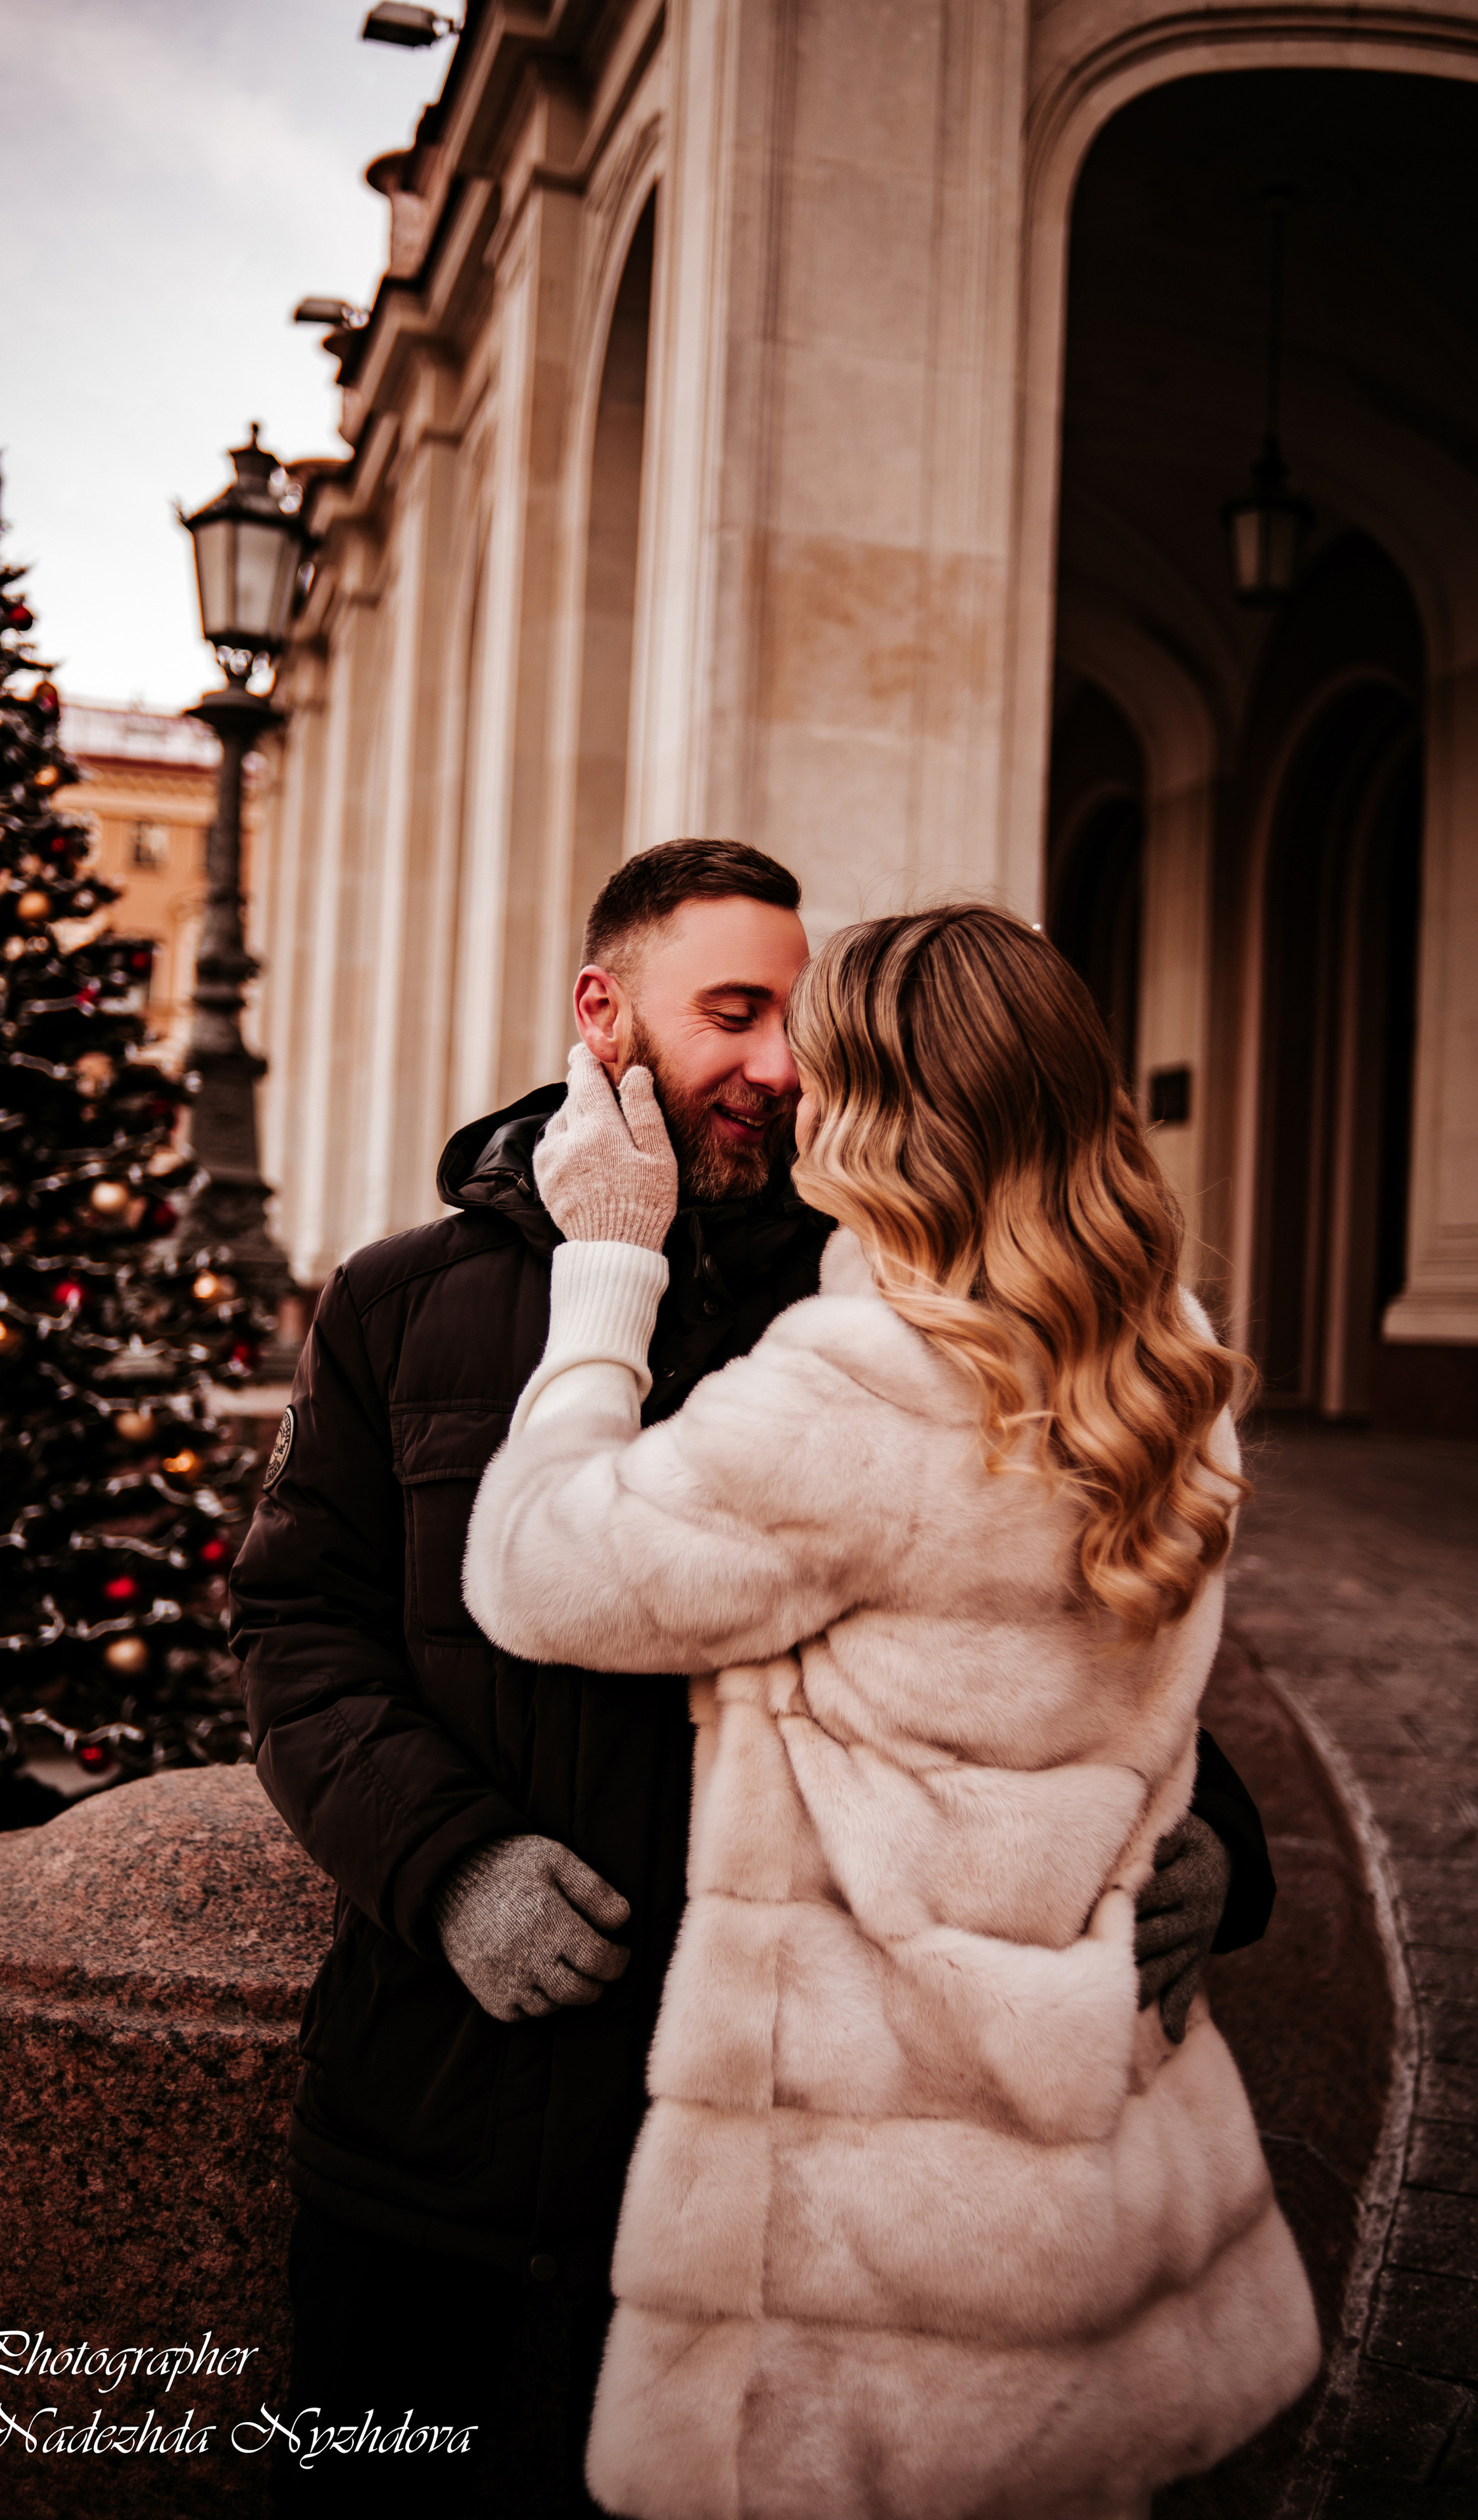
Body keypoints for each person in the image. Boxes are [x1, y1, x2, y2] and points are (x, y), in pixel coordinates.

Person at [229, 845, 1276, 2516]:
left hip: (797, 2177)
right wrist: (444, 1866)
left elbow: (1051, 1613)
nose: (780, 1067)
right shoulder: (398, 1299)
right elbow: (296, 1628)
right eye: (735, 1013)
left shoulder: (891, 1304)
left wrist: (1207, 1836)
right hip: (462, 2126)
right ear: (605, 1013)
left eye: (808, 1024)